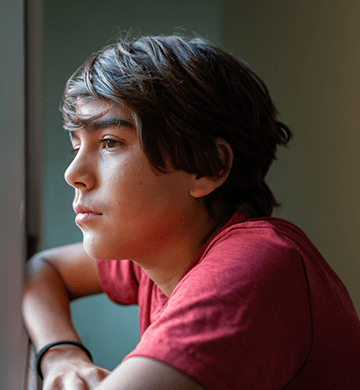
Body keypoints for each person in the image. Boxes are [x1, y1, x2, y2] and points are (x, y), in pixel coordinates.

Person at [22, 34, 360, 390]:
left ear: (209, 167)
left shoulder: (253, 266)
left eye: (110, 142)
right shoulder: (165, 252)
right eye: (77, 146)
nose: (73, 174)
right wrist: (62, 354)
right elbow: (44, 271)